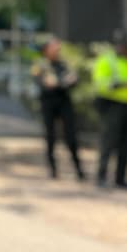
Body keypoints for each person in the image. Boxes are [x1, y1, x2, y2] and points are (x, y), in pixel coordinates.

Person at [91, 30, 127, 188]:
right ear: (121, 47)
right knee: (108, 142)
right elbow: (101, 84)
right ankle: (101, 176)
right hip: (112, 106)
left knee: (126, 144)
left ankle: (120, 178)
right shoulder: (107, 60)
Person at [29, 37, 83, 180]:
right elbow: (44, 84)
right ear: (46, 50)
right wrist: (62, 83)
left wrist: (58, 83)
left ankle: (79, 170)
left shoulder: (63, 64)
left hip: (64, 103)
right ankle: (53, 171)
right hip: (48, 104)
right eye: (53, 48)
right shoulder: (40, 65)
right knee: (50, 137)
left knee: (71, 136)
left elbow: (73, 80)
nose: (57, 50)